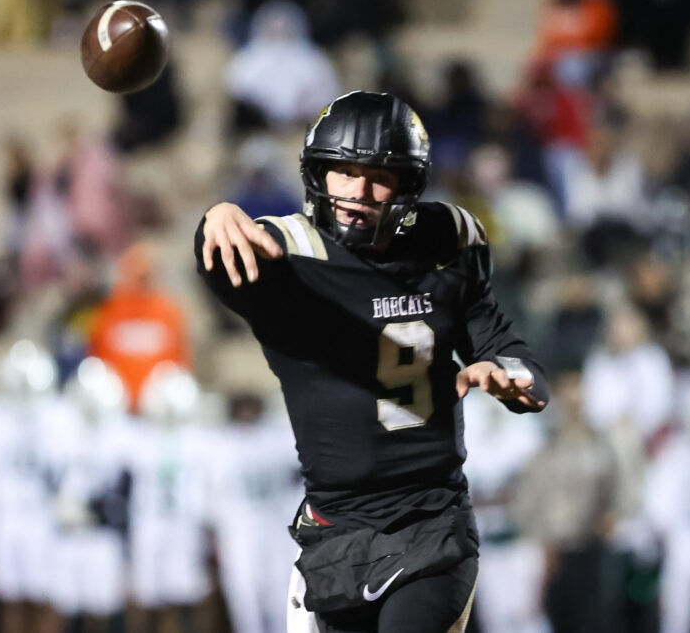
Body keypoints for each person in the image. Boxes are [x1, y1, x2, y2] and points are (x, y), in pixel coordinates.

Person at [194, 90, 550, 633]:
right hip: (336, 529)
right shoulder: (291, 256)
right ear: (318, 174)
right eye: (344, 172)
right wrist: (214, 219)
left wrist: (512, 378)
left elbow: (514, 355)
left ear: (408, 185)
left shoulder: (446, 245)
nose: (358, 191)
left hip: (430, 521)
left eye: (379, 175)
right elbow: (220, 259)